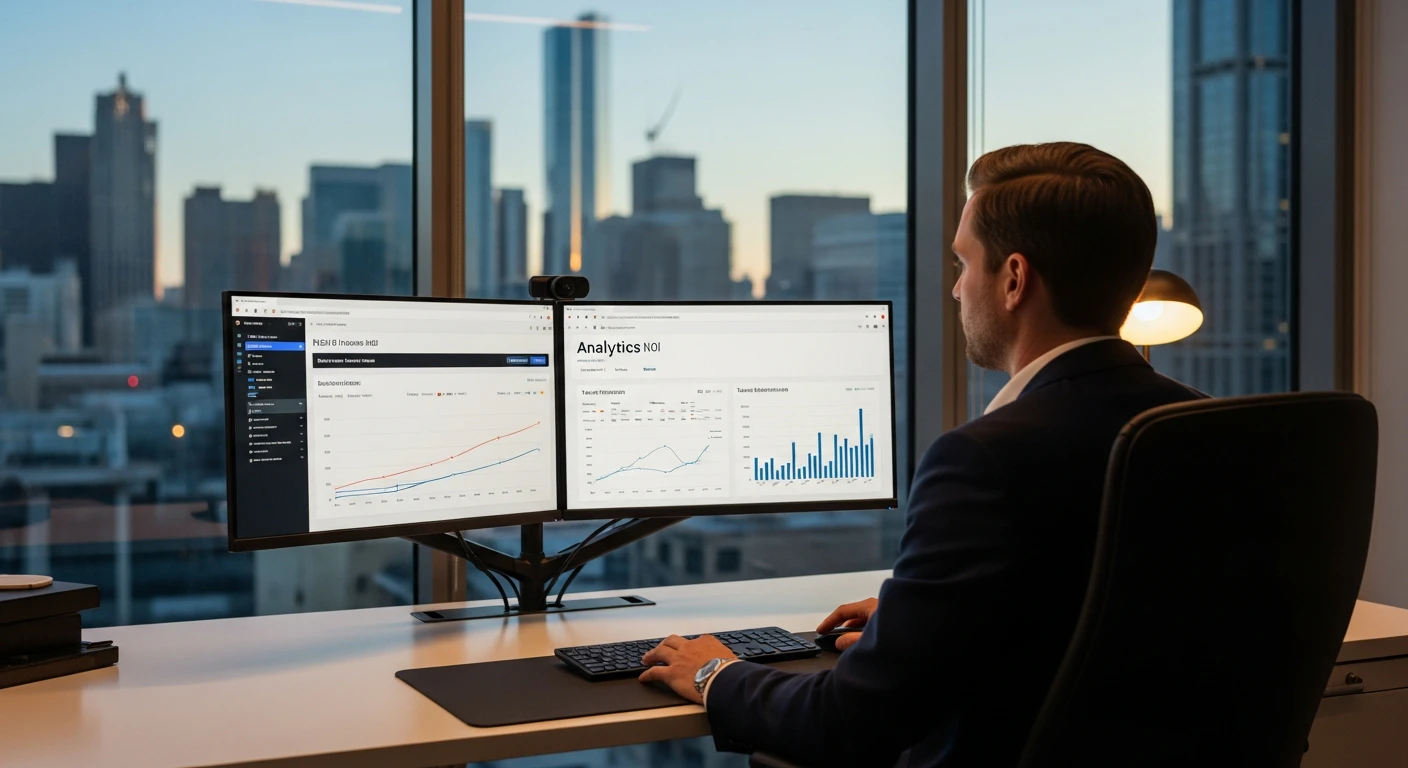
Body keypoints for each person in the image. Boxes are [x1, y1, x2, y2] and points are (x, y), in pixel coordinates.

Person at [638, 142, 1204, 767]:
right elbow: (1119, 608)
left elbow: (848, 723)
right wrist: (927, 621)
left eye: (963, 263)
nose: (957, 289)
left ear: (1014, 279)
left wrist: (715, 672)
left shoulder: (982, 460)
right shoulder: (1204, 426)